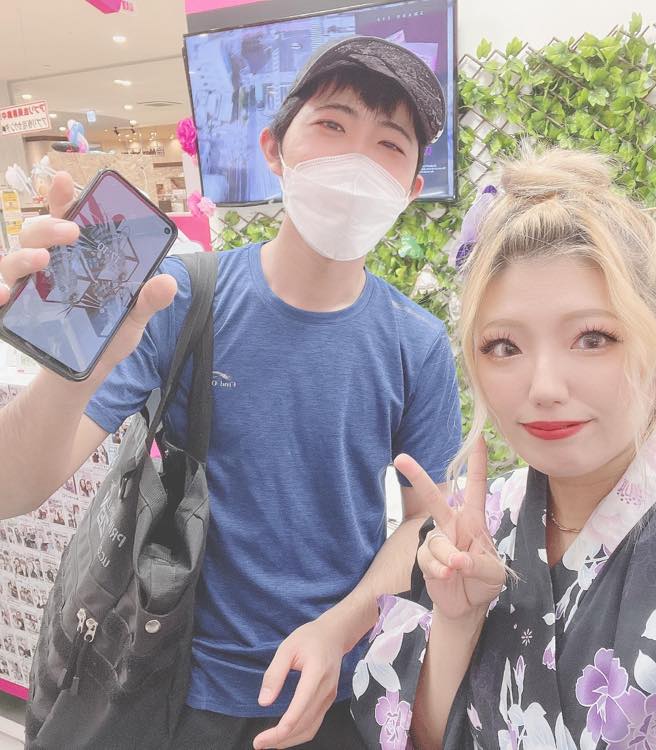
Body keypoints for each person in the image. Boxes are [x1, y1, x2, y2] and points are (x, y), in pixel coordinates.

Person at [0, 36, 461, 750]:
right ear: (274, 149)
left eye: (389, 144)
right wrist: (70, 366)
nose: (355, 161)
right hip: (170, 683)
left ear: (411, 187)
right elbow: (13, 486)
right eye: (332, 124)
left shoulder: (417, 344)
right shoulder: (179, 298)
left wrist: (340, 630)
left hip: (332, 690)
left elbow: (428, 520)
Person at [352, 147, 656, 749]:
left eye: (593, 338)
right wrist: (457, 621)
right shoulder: (476, 525)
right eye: (504, 347)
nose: (543, 387)